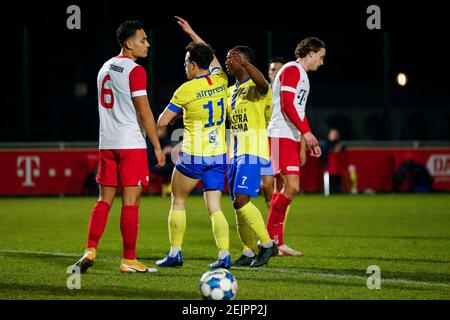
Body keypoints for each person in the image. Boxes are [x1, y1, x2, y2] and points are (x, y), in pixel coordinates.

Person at [71, 21, 165, 273]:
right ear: (128, 43)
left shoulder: (104, 68)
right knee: (131, 202)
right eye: (143, 40)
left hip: (107, 142)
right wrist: (156, 146)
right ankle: (129, 260)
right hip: (130, 144)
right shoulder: (135, 70)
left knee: (103, 200)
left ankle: (90, 249)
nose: (147, 44)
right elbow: (144, 111)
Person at [155, 16, 231, 269]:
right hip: (219, 154)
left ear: (194, 65)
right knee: (215, 207)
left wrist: (175, 115)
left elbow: (162, 121)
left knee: (178, 201)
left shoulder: (185, 90)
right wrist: (191, 32)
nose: (184, 65)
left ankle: (175, 253)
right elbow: (211, 56)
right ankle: (224, 256)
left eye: (187, 62)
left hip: (193, 154)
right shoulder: (221, 80)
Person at [266, 37, 326, 256]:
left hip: (289, 135)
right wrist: (306, 133)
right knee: (291, 187)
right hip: (280, 134)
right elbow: (287, 105)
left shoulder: (301, 76)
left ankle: (275, 242)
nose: (321, 63)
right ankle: (270, 241)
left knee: (285, 189)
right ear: (310, 52)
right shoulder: (292, 70)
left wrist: (308, 138)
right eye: (320, 57)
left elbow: (299, 111)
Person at [322, 128, 347, 193]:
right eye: (333, 134)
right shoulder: (326, 145)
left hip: (338, 167)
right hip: (328, 166)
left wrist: (340, 148)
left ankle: (337, 190)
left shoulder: (340, 144)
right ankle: (329, 191)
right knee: (331, 179)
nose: (334, 136)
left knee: (337, 179)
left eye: (335, 135)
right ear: (329, 135)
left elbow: (344, 150)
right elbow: (324, 155)